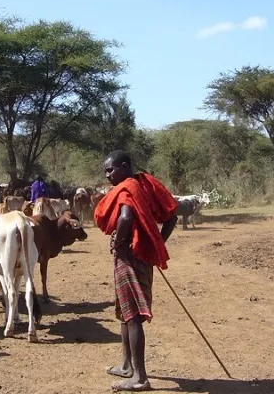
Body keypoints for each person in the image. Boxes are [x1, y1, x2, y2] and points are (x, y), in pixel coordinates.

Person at [94, 150, 178, 392]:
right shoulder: (145, 184)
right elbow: (172, 214)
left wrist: (120, 243)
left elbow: (126, 216)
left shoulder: (129, 188)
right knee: (124, 310)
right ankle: (126, 365)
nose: (107, 175)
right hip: (141, 254)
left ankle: (139, 377)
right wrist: (157, 241)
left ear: (124, 165)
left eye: (110, 169)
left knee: (133, 316)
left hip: (131, 256)